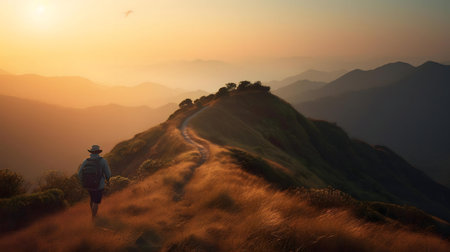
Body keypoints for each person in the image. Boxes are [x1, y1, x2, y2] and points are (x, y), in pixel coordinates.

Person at [78, 145, 111, 218]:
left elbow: (79, 173)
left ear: (91, 152)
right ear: (98, 152)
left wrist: (83, 182)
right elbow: (108, 173)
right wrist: (108, 180)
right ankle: (94, 218)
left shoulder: (86, 161)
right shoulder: (103, 161)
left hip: (88, 185)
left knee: (92, 199)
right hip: (99, 185)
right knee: (96, 201)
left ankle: (93, 214)